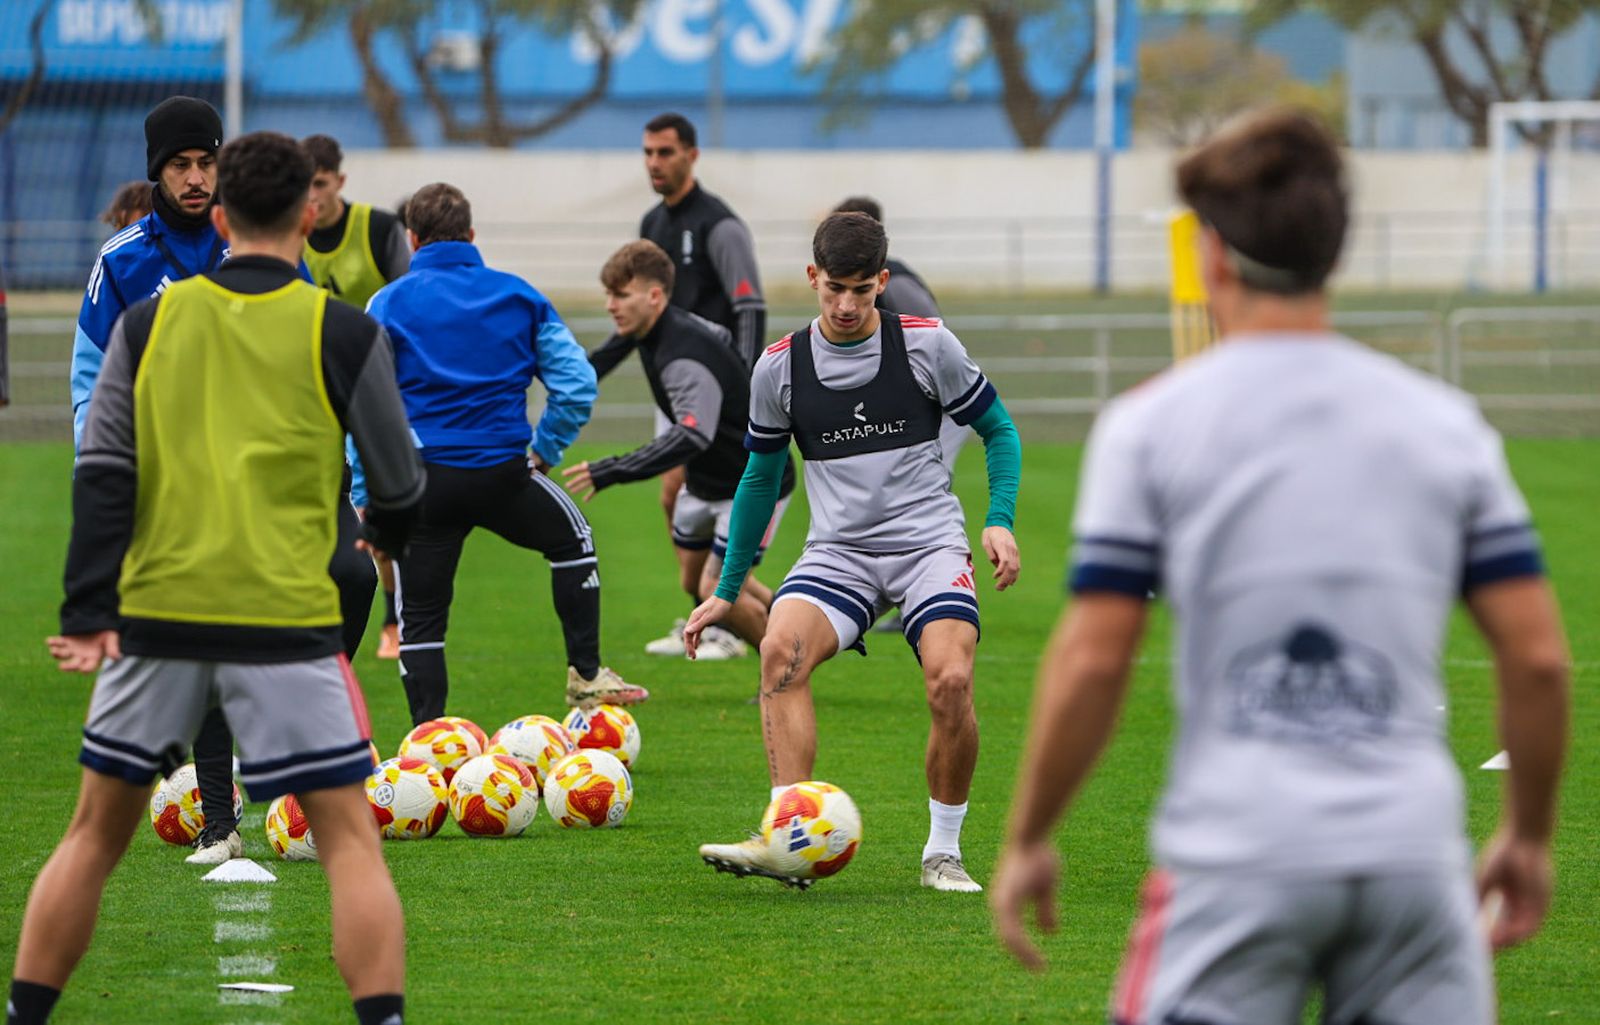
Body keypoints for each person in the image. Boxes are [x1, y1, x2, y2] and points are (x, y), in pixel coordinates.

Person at [989, 109, 1570, 1025]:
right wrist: (1529, 834)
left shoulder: (1151, 427)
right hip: (1412, 861)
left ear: (1213, 255)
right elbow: (1537, 658)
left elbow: (1096, 658)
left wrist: (1028, 834)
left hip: (1237, 855)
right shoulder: (1445, 424)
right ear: (1335, 253)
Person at [11, 130, 423, 1025]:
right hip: (288, 620)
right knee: (352, 845)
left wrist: (88, 610)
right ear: (310, 215)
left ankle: (26, 1014)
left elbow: (104, 472)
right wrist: (379, 537)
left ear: (224, 214)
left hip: (159, 616)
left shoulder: (145, 323)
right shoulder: (341, 328)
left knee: (91, 837)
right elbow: (398, 481)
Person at [68, 97, 377, 866]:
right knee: (207, 626)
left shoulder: (260, 244)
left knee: (354, 576)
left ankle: (286, 716)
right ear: (157, 171)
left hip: (283, 480)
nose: (197, 177)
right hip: (182, 487)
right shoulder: (124, 264)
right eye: (181, 164)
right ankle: (217, 817)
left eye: (207, 162)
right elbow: (88, 385)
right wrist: (114, 471)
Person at [687, 211, 1022, 892]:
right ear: (812, 277)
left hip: (927, 543)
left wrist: (999, 519)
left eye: (862, 290)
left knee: (950, 680)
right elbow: (758, 476)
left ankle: (943, 852)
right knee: (780, 650)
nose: (845, 305)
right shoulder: (779, 367)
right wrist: (727, 586)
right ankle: (789, 836)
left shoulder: (929, 347)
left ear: (883, 283)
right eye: (834, 287)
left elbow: (1000, 430)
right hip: (838, 550)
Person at [363, 182, 647, 722]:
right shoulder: (518, 295)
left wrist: (365, 490)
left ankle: (428, 739)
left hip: (422, 482)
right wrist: (545, 449)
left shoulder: (387, 302)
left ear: (411, 239)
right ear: (471, 236)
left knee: (420, 616)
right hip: (501, 474)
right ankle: (586, 675)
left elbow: (364, 402)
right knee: (574, 541)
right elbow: (578, 384)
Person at [589, 112, 768, 659]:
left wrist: (745, 382)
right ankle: (712, 609)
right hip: (675, 386)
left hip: (715, 393)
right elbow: (637, 317)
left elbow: (750, 305)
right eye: (647, 153)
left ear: (691, 155)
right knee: (676, 501)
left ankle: (718, 612)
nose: (654, 163)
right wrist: (581, 372)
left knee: (679, 491)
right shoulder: (652, 223)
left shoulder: (720, 225)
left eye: (665, 152)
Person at [562, 240, 796, 659]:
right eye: (608, 294)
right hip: (705, 483)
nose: (610, 305)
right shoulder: (655, 326)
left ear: (654, 296)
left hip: (751, 482)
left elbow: (692, 436)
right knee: (693, 582)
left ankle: (785, 672)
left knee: (714, 587)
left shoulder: (681, 356)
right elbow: (597, 364)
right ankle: (800, 616)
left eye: (620, 295)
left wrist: (612, 469)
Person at [833, 196, 972, 635]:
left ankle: (932, 591)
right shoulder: (853, 289)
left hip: (943, 409)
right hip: (914, 412)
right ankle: (907, 593)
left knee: (923, 493)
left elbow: (934, 343)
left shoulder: (897, 283)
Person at [301, 133, 412, 662]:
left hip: (369, 389)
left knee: (380, 503)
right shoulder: (287, 237)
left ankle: (395, 620)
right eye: (304, 186)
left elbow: (408, 303)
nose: (313, 197)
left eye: (320, 184)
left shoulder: (378, 230)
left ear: (339, 182)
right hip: (309, 400)